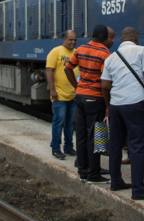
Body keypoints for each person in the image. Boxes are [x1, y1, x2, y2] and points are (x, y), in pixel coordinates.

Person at [101, 27, 144, 200]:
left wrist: (108, 106)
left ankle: (116, 181)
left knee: (115, 144)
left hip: (116, 105)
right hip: (135, 104)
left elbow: (105, 85)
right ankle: (138, 189)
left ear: (120, 39)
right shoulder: (142, 51)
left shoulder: (111, 57)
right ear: (136, 38)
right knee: (137, 145)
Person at [65, 25, 115, 184]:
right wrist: (108, 106)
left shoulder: (80, 49)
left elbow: (68, 69)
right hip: (96, 99)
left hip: (80, 96)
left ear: (92, 35)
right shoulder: (106, 54)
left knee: (81, 134)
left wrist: (77, 87)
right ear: (106, 38)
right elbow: (106, 83)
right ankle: (94, 174)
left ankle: (83, 171)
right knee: (97, 135)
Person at [46, 30, 78, 160]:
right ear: (64, 39)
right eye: (70, 40)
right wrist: (52, 90)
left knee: (70, 123)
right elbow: (49, 71)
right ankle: (55, 147)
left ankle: (69, 147)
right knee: (58, 122)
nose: (73, 42)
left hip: (73, 95)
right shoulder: (55, 52)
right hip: (59, 95)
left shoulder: (76, 52)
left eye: (75, 40)